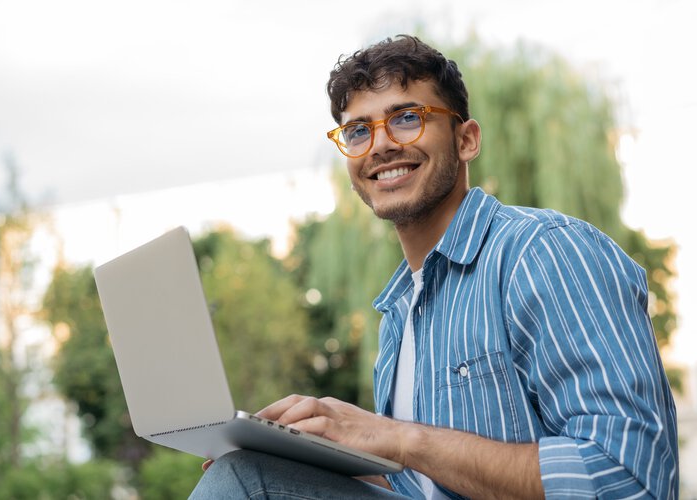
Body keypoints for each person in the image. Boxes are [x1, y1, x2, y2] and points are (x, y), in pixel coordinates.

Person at [190, 35, 678, 499]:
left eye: (406, 117)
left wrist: (400, 438)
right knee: (253, 472)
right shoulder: (400, 310)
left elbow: (628, 479)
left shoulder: (544, 253)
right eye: (358, 130)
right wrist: (317, 454)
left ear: (466, 140)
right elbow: (426, 488)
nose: (379, 145)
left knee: (245, 481)